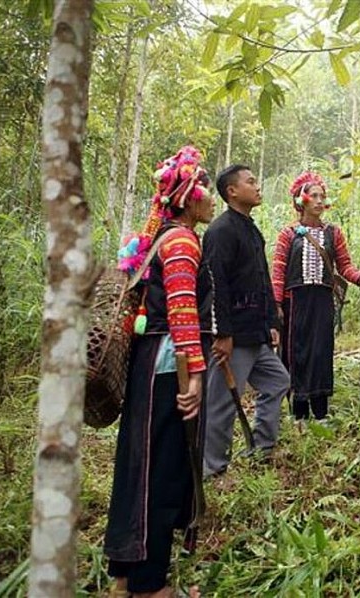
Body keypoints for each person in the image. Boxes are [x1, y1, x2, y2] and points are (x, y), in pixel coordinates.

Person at [104, 146, 214, 598]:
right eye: (205, 186)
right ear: (189, 196)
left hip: (151, 365)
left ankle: (127, 572)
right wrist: (195, 377)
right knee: (162, 468)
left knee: (139, 463)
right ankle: (150, 586)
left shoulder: (160, 239)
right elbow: (183, 312)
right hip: (170, 366)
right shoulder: (183, 241)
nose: (211, 197)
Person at [202, 164, 290, 477]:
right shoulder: (220, 231)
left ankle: (262, 449)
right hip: (233, 335)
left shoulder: (252, 230)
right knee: (224, 401)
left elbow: (261, 278)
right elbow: (216, 285)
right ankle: (213, 467)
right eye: (251, 181)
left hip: (256, 331)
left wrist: (271, 323)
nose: (257, 186)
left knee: (278, 381)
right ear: (232, 191)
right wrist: (222, 333)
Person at [271, 171, 360, 422]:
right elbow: (278, 270)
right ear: (301, 200)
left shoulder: (333, 233)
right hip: (295, 302)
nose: (318, 200)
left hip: (322, 301)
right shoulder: (288, 234)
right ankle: (299, 410)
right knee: (296, 351)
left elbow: (344, 266)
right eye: (313, 195)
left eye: (322, 196)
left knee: (321, 351)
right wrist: (276, 305)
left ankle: (321, 410)